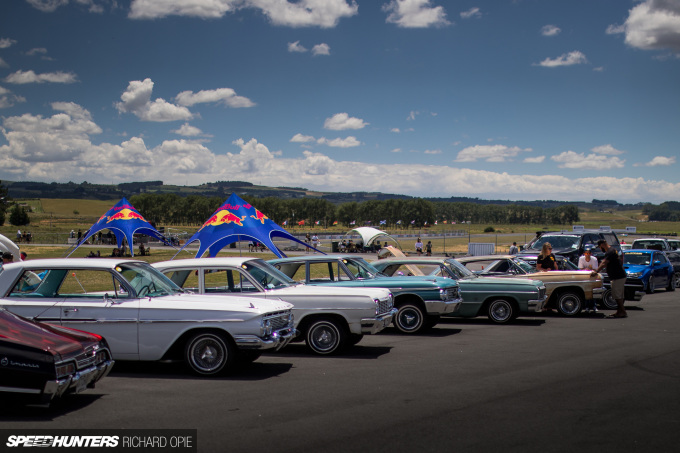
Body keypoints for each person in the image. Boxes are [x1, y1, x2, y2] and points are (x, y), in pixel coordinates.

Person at [592, 239, 627, 318]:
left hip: (618, 276)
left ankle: (623, 311)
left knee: (617, 295)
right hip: (618, 276)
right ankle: (619, 311)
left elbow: (604, 263)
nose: (600, 249)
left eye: (600, 247)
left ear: (602, 245)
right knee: (618, 295)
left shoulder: (610, 252)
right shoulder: (612, 250)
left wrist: (596, 271)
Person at [578, 247, 599, 313]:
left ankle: (594, 306)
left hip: (592, 276)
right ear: (584, 254)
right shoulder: (581, 259)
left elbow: (595, 269)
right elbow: (580, 268)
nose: (587, 255)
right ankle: (587, 307)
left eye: (588, 253)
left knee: (593, 291)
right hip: (584, 277)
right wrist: (585, 270)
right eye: (586, 253)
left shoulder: (594, 259)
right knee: (586, 291)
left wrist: (589, 270)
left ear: (591, 254)